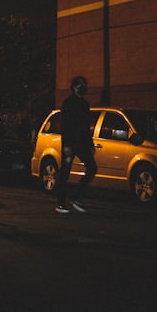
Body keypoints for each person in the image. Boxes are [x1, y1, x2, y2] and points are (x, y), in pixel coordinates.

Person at [55, 75, 94, 213]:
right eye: (79, 85)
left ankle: (76, 198)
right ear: (73, 87)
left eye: (84, 84)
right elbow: (65, 125)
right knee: (64, 172)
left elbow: (86, 126)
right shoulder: (68, 103)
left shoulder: (85, 105)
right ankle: (60, 203)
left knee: (92, 168)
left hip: (82, 143)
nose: (82, 87)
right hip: (70, 143)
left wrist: (90, 144)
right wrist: (66, 144)